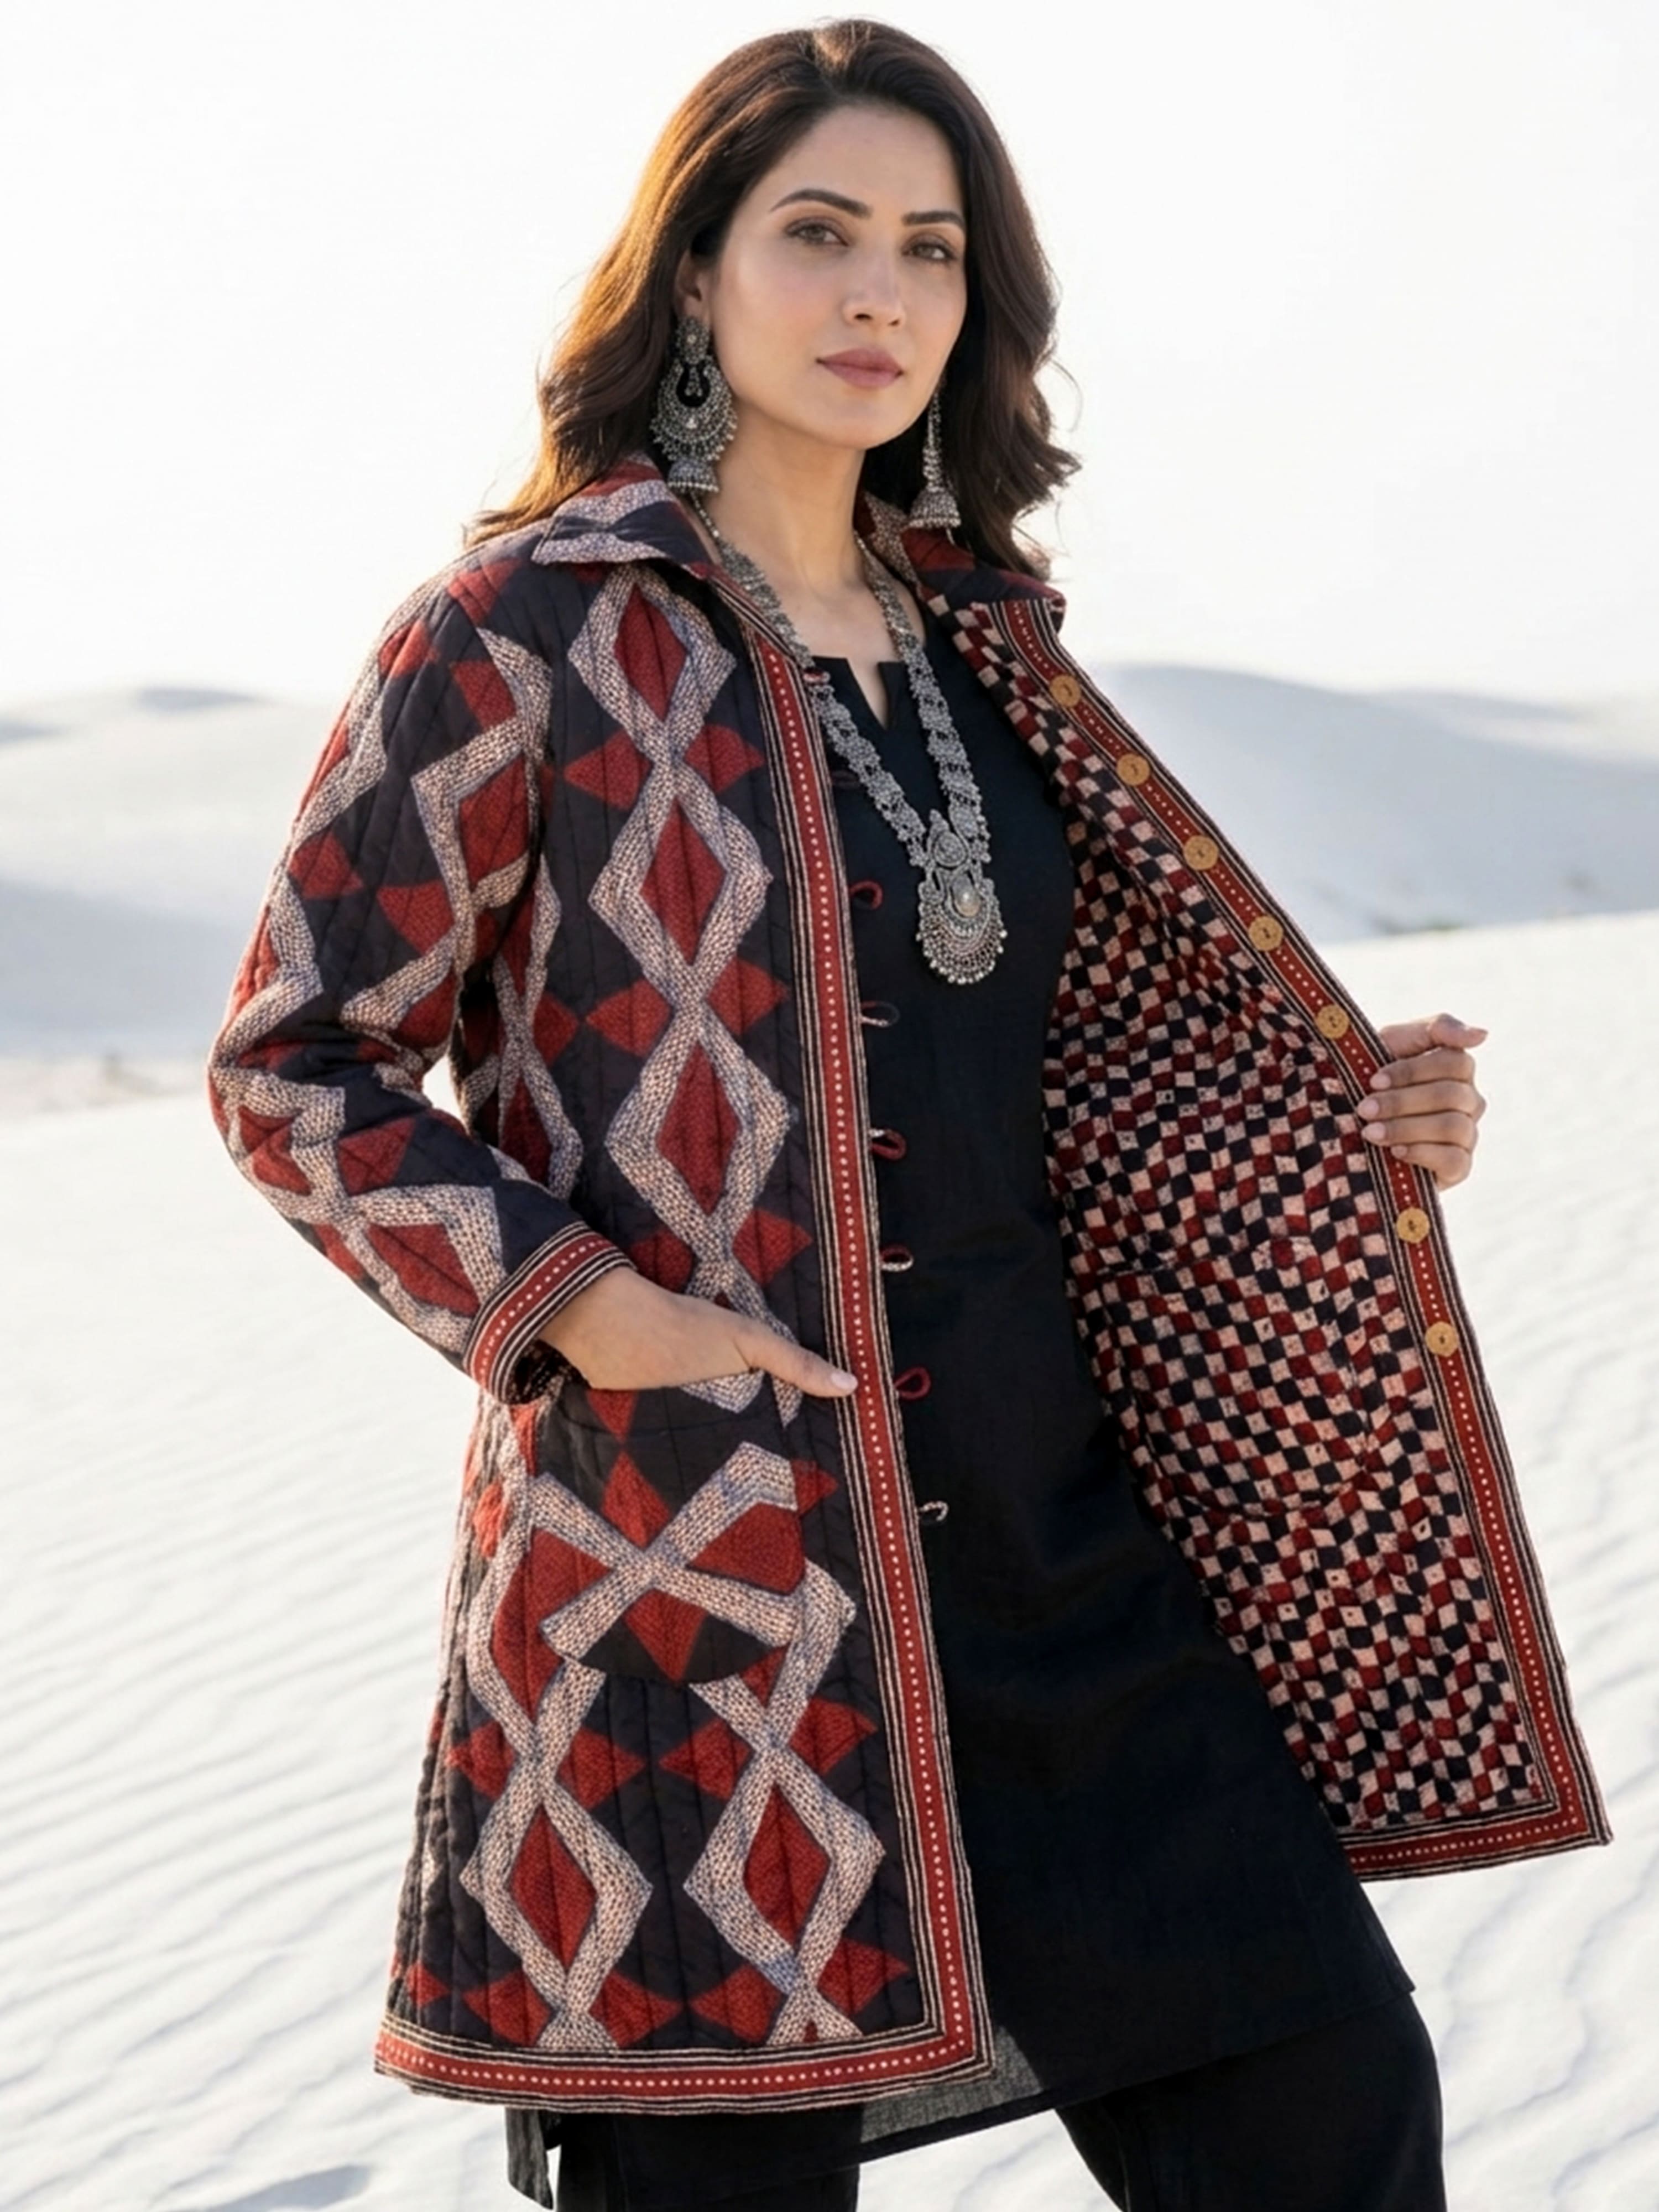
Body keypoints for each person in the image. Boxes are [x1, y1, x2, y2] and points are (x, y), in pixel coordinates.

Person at [205, 20, 1607, 2211]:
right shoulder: (526, 634)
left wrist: (1338, 1123)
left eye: (931, 251)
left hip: (1080, 1570)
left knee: (1335, 2116)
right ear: (694, 275)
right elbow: (294, 1063)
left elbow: (1075, 1080)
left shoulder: (991, 647)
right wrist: (585, 1311)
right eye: (820, 234)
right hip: (708, 1593)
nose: (879, 295)